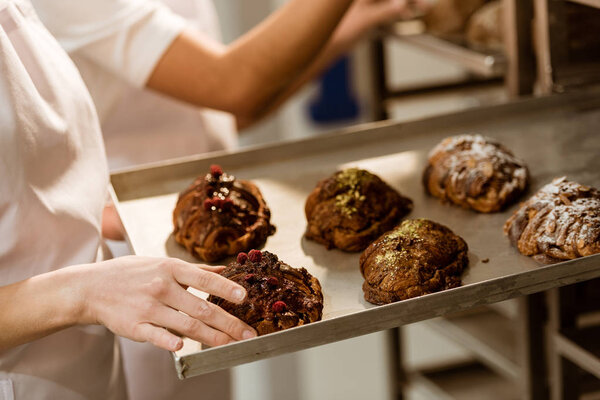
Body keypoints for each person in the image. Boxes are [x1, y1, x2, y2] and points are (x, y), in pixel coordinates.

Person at [0, 0, 424, 399]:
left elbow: (231, 104)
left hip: (104, 334)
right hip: (91, 310)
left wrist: (356, 21)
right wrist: (82, 290)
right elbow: (235, 83)